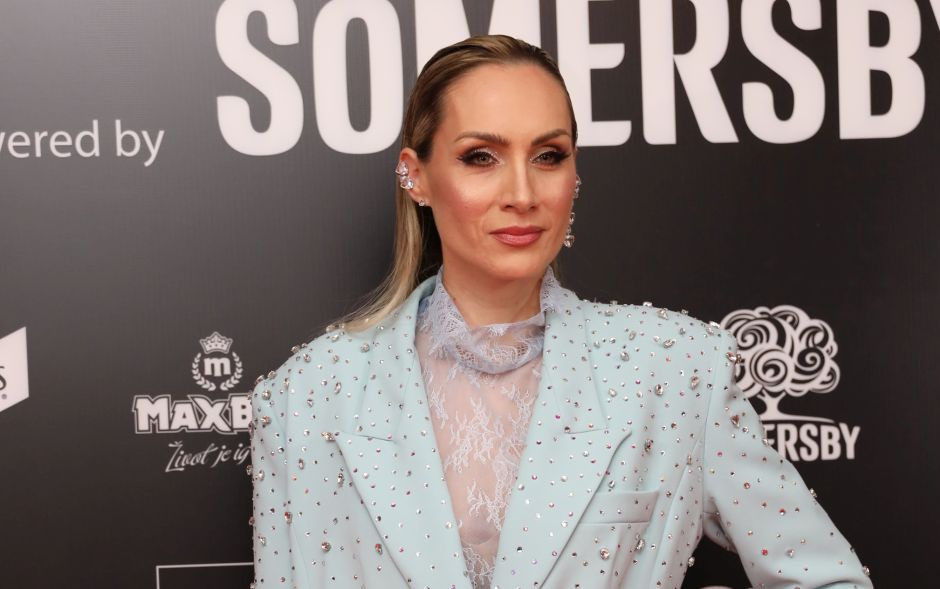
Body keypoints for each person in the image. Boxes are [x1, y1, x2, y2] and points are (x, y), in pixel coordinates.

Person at [248, 34, 872, 589]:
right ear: (417, 177)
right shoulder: (306, 397)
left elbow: (825, 575)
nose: (522, 194)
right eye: (481, 157)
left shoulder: (680, 371)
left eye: (548, 155)